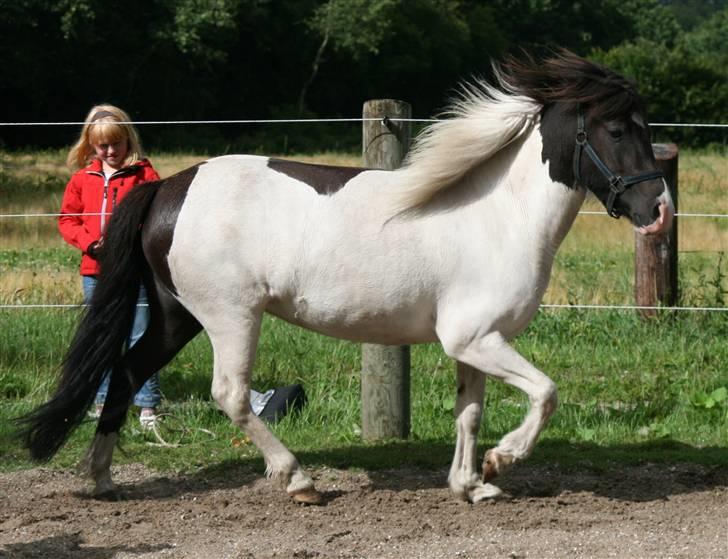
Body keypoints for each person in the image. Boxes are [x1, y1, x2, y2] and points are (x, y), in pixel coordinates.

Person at [59, 103, 161, 428]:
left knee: (141, 333)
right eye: (102, 145)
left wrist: (128, 241)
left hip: (136, 269)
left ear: (128, 140)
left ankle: (146, 404)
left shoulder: (145, 175)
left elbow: (155, 216)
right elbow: (67, 219)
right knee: (102, 334)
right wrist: (90, 243)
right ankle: (103, 399)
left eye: (116, 143)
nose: (110, 150)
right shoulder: (81, 179)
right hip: (95, 271)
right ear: (91, 145)